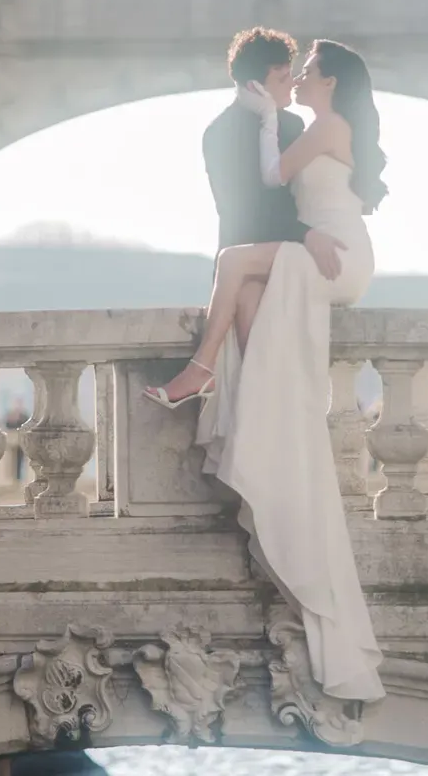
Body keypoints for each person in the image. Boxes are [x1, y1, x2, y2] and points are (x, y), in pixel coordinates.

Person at [144, 37, 389, 705]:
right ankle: (255, 388)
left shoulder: (323, 126)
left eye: (307, 72)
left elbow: (275, 180)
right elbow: (272, 188)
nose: (299, 79)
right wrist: (259, 121)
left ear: (329, 82)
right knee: (245, 285)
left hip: (335, 255)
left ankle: (200, 370)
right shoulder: (313, 125)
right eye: (292, 72)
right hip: (323, 249)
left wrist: (261, 125)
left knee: (231, 265)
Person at [143, 28, 347, 406]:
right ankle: (220, 387)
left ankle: (202, 372)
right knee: (251, 317)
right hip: (246, 249)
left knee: (258, 345)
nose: (293, 85)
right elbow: (243, 212)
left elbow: (294, 200)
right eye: (283, 77)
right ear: (259, 84)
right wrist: (307, 235)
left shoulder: (291, 126)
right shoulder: (221, 133)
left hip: (268, 255)